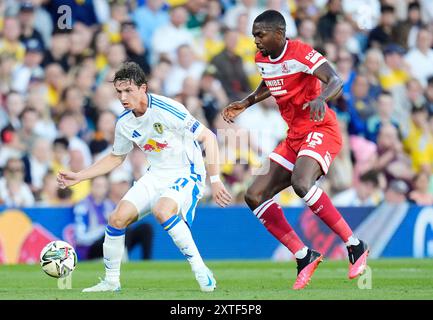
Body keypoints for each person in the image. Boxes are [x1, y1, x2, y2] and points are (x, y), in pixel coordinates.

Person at [222, 10, 369, 290]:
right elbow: (271, 81)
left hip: (320, 128)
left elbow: (335, 79)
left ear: (279, 34)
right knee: (253, 195)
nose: (256, 41)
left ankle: (355, 245)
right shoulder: (261, 59)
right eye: (254, 35)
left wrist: (321, 98)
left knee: (301, 182)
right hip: (294, 136)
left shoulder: (301, 52)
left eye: (260, 35)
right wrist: (248, 101)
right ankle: (304, 256)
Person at [58, 61, 232, 292]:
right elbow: (116, 157)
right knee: (116, 219)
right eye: (119, 91)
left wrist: (216, 180)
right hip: (155, 175)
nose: (123, 97)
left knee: (162, 210)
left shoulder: (168, 108)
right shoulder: (125, 123)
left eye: (128, 90)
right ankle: (111, 281)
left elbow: (208, 137)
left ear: (143, 88)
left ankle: (201, 271)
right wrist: (81, 176)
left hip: (187, 172)